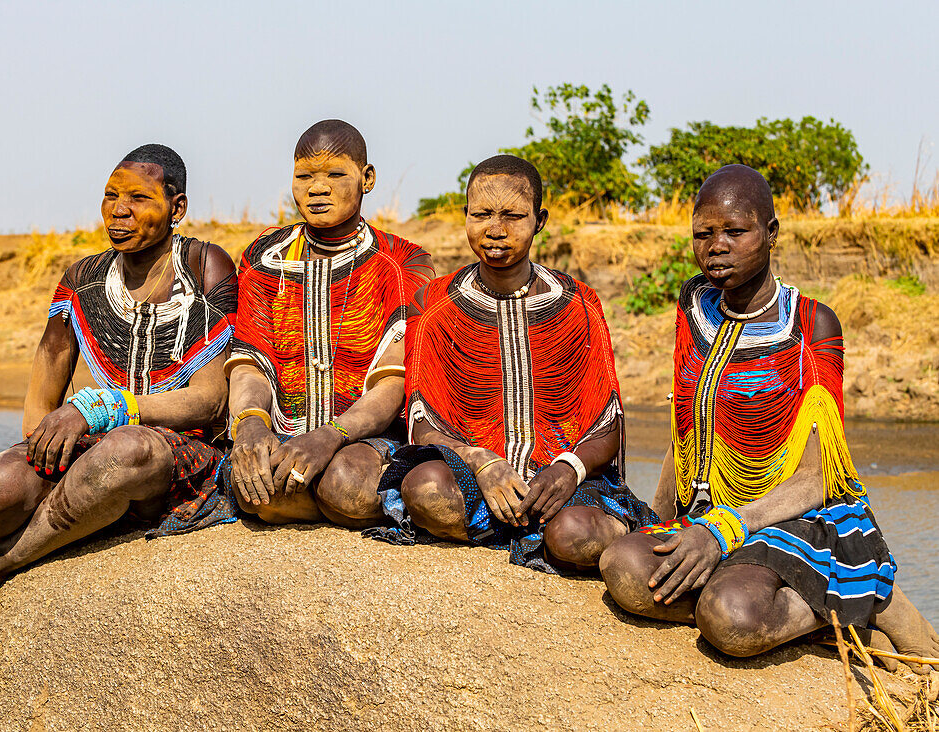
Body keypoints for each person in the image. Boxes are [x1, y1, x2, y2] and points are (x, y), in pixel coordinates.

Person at [599, 165, 939, 671]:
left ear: (772, 234)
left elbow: (819, 478)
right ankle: (763, 587)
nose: (716, 246)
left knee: (731, 620)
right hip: (710, 509)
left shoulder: (811, 324)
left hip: (795, 514)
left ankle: (861, 602)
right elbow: (687, 428)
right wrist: (661, 515)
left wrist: (723, 532)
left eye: (736, 231)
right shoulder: (695, 306)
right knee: (624, 567)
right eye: (703, 233)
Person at [0, 144, 238, 631]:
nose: (120, 211)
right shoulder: (84, 278)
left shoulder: (203, 265)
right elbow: (47, 371)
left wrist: (104, 408)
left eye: (139, 198)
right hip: (101, 448)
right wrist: (38, 452)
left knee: (125, 450)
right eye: (110, 196)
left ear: (178, 208)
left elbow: (208, 401)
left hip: (182, 454)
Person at [366, 154, 658, 572]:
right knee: (426, 487)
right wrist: (479, 461)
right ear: (464, 215)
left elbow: (606, 424)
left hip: (557, 484)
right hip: (475, 477)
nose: (495, 230)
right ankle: (514, 530)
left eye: (513, 216)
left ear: (539, 220)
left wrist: (568, 470)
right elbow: (422, 421)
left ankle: (549, 529)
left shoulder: (578, 305)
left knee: (575, 534)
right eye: (481, 214)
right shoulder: (437, 304)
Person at [223, 120, 434, 527]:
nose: (317, 189)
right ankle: (320, 497)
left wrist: (328, 437)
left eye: (335, 174)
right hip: (285, 426)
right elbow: (251, 359)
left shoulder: (402, 261)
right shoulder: (265, 257)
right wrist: (251, 422)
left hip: (365, 436)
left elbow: (394, 380)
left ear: (367, 178)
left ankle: (327, 494)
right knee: (256, 488)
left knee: (346, 484)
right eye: (304, 177)